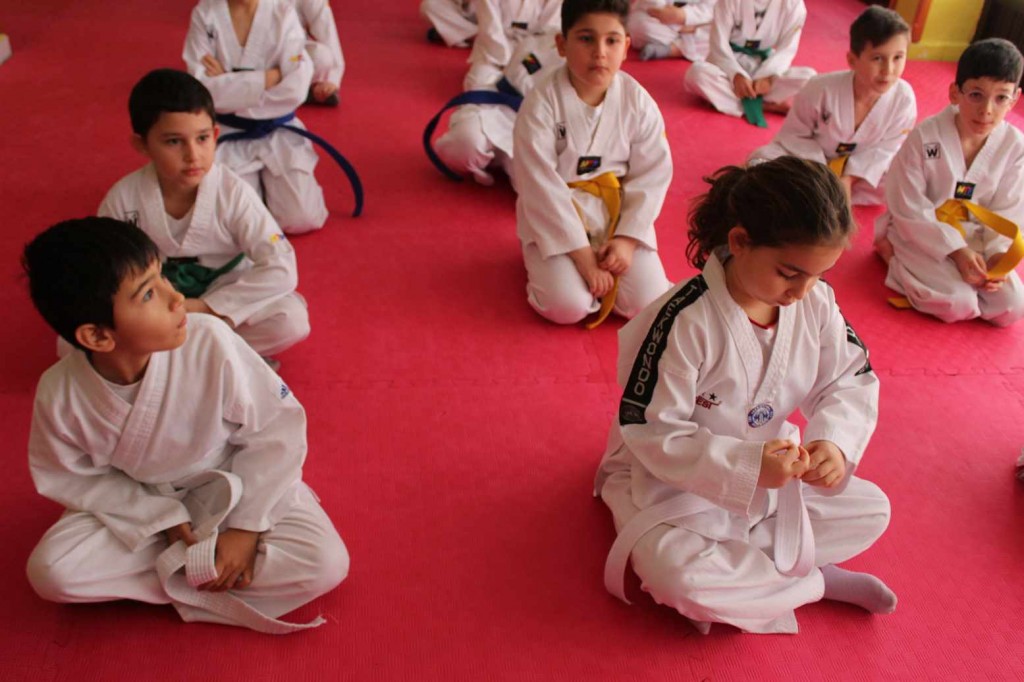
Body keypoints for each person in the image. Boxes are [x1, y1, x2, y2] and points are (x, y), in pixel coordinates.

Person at [595, 157, 895, 634]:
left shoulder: (816, 301)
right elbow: (651, 430)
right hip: (672, 482)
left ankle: (750, 581)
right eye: (789, 273)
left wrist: (833, 444)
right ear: (739, 242)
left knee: (872, 508)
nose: (803, 291)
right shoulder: (683, 320)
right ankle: (813, 581)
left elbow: (849, 377)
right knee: (680, 580)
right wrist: (749, 467)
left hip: (773, 476)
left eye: (819, 274)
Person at [22, 217, 348, 633]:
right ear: (98, 337)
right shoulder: (60, 393)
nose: (177, 298)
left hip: (236, 482)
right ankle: (204, 576)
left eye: (162, 276)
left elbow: (275, 430)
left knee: (325, 563)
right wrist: (159, 519)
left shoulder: (209, 338)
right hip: (145, 505)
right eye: (148, 294)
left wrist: (246, 529)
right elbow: (74, 479)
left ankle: (180, 576)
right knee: (52, 572)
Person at [99, 69, 309, 362]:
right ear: (142, 144)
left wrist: (207, 307)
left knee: (290, 319)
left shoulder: (234, 193)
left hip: (224, 295)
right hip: (158, 301)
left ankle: (175, 361)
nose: (193, 155)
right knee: (71, 344)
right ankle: (214, 359)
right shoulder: (123, 199)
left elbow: (282, 266)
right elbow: (105, 273)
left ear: (216, 135)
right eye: (174, 141)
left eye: (202, 138)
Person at [513, 0, 673, 326]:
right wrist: (585, 259)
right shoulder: (541, 103)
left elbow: (652, 175)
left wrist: (627, 240)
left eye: (611, 41)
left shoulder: (638, 102)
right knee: (566, 306)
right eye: (586, 39)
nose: (600, 52)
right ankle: (548, 262)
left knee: (648, 302)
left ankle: (606, 256)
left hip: (616, 212)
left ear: (626, 47)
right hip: (557, 214)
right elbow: (538, 185)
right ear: (561, 44)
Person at [875, 38, 1024, 326]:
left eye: (1001, 98)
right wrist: (956, 251)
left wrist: (998, 256)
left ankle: (958, 275)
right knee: (957, 302)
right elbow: (907, 204)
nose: (987, 110)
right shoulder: (925, 136)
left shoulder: (1015, 146)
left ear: (1015, 99)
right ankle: (890, 255)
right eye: (976, 95)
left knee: (1011, 306)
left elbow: (1009, 210)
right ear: (955, 93)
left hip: (977, 238)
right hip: (921, 232)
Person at [183, 0, 329, 233]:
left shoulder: (283, 12)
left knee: (302, 219)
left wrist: (228, 81)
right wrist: (269, 78)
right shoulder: (206, 13)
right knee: (237, 222)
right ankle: (261, 196)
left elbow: (296, 88)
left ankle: (271, 195)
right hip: (229, 130)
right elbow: (202, 89)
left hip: (279, 130)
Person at [748, 6, 916, 206]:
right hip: (811, 161)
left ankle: (817, 193)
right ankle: (820, 191)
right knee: (762, 160)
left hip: (856, 170)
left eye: (898, 57)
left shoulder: (904, 99)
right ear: (852, 60)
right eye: (877, 58)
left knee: (901, 180)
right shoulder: (819, 88)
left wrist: (849, 179)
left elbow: (886, 149)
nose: (888, 70)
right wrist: (823, 172)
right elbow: (794, 135)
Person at [430, 31, 564, 186]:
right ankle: (491, 157)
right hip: (500, 109)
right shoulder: (542, 38)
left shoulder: (583, 64)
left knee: (541, 184)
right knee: (463, 143)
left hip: (541, 128)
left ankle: (504, 161)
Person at [683, 0, 814, 126]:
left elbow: (787, 50)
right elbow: (718, 44)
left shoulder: (794, 4)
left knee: (809, 78)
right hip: (729, 60)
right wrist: (736, 75)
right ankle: (764, 105)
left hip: (764, 63)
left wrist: (768, 76)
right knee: (696, 74)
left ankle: (730, 101)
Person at [286, 0, 345, 106]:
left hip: (291, 57)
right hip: (259, 58)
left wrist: (332, 79)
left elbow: (327, 33)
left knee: (321, 56)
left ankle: (300, 88)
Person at [627, 0, 716, 63]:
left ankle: (672, 50)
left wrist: (684, 16)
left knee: (716, 33)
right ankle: (676, 45)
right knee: (639, 26)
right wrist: (677, 25)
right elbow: (653, 7)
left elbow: (711, 9)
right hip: (662, 21)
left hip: (697, 25)